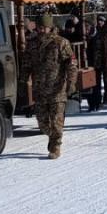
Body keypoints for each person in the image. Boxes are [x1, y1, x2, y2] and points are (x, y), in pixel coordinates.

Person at [24, 13, 77, 159]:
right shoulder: (33, 43)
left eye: (44, 27)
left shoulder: (61, 42)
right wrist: (23, 80)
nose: (42, 30)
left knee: (56, 122)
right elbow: (26, 64)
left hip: (57, 89)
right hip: (39, 89)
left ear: (50, 27)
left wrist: (71, 82)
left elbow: (72, 64)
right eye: (39, 27)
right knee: (42, 123)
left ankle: (55, 147)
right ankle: (52, 137)